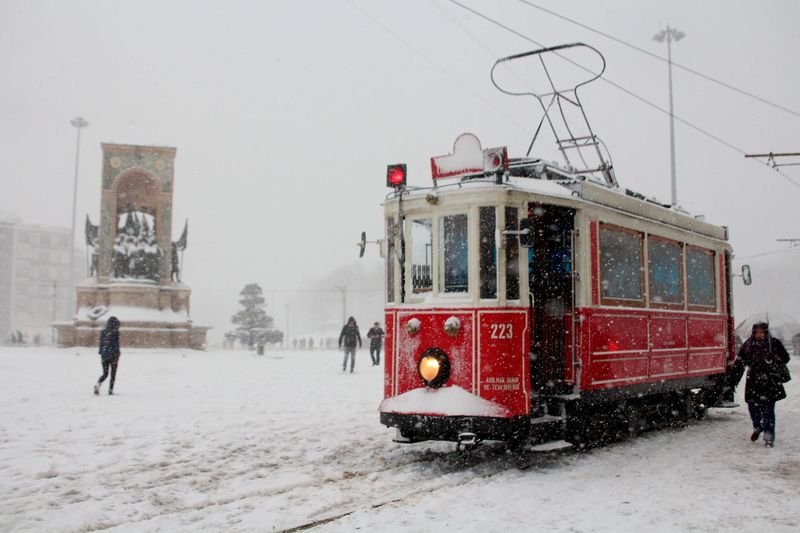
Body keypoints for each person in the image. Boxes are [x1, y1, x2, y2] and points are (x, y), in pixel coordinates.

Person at [731, 321, 790, 447]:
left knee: (769, 411)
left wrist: (775, 357)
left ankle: (769, 438)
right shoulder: (748, 344)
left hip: (770, 381)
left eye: (761, 332)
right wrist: (733, 380)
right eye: (757, 332)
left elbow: (786, 358)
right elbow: (740, 362)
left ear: (766, 332)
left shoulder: (774, 343)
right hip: (753, 382)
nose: (759, 334)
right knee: (753, 408)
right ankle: (758, 427)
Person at [94, 316, 121, 395]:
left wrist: (102, 353)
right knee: (113, 375)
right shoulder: (116, 332)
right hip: (113, 356)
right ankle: (110, 390)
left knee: (105, 374)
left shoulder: (103, 332)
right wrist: (117, 354)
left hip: (104, 356)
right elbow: (116, 345)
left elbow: (101, 344)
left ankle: (98, 384)